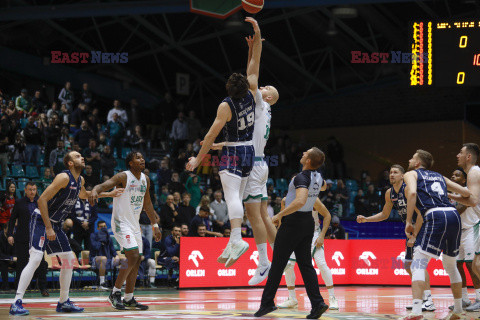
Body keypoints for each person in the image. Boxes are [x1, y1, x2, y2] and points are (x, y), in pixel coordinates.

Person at [187, 17, 264, 268]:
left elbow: (210, 136)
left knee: (231, 196)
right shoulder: (253, 91)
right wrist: (256, 39)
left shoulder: (226, 105)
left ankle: (238, 238)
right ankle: (233, 240)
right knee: (237, 198)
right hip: (249, 151)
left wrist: (198, 160)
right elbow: (254, 64)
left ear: (228, 89)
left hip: (232, 151)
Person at [9, 152, 121, 316]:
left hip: (55, 224)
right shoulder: (63, 177)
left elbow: (84, 195)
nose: (82, 158)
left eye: (82, 156)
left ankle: (63, 301)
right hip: (41, 221)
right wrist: (48, 227)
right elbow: (41, 200)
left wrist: (109, 194)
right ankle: (16, 302)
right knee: (36, 258)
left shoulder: (80, 180)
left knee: (69, 259)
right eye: (77, 156)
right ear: (69, 163)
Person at [255, 147, 329, 319]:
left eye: (306, 153)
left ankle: (266, 304)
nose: (303, 153)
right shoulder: (318, 176)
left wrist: (280, 214)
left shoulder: (301, 177)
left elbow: (300, 200)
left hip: (293, 224)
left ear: (309, 161)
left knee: (278, 264)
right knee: (306, 265)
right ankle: (317, 303)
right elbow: (323, 188)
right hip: (307, 224)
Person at [402, 149, 472, 320]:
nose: (410, 160)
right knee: (450, 265)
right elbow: (466, 193)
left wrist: (408, 221)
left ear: (418, 163)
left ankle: (417, 311)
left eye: (412, 157)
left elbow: (411, 193)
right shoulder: (439, 176)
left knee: (418, 264)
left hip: (435, 214)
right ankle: (457, 309)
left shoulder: (411, 174)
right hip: (453, 214)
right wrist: (447, 196)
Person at [357, 165, 435, 312]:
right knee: (408, 265)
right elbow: (384, 214)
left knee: (418, 264)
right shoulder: (389, 193)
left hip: (422, 226)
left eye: (395, 172)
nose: (392, 175)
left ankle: (428, 300)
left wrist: (415, 235)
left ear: (402, 175)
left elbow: (421, 214)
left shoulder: (408, 189)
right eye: (391, 172)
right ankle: (420, 299)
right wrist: (366, 219)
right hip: (410, 230)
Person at [90, 151, 162, 311]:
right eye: (138, 157)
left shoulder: (146, 180)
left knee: (137, 260)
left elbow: (148, 204)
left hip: (134, 224)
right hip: (120, 223)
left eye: (143, 157)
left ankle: (129, 297)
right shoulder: (123, 176)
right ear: (130, 163)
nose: (142, 159)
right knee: (133, 255)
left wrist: (154, 225)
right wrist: (96, 189)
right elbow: (105, 185)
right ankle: (115, 293)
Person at [7, 182, 48, 297]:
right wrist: (10, 234)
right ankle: (19, 289)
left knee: (41, 264)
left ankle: (43, 288)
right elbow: (12, 219)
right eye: (30, 189)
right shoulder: (19, 202)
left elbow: (46, 218)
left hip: (38, 238)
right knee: (22, 264)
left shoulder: (40, 201)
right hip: (22, 238)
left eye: (34, 189)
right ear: (25, 190)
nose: (32, 192)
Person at [452, 143, 480, 312]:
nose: (457, 155)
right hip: (462, 230)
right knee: (476, 264)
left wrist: (448, 191)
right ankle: (465, 299)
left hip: (473, 226)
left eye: (460, 152)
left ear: (468, 156)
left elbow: (472, 201)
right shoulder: (473, 173)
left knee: (475, 265)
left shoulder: (474, 172)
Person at [90, 220, 127, 290]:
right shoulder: (93, 235)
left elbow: (112, 249)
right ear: (97, 228)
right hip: (95, 259)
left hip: (109, 259)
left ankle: (123, 283)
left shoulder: (108, 237)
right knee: (103, 258)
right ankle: (102, 283)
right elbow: (95, 247)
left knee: (124, 259)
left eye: (104, 226)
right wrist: (101, 240)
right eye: (101, 227)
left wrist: (116, 256)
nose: (103, 228)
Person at [0, 224, 16, 290]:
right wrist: (10, 258)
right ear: (4, 229)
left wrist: (14, 258)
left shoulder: (14, 237)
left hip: (11, 260)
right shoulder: (0, 237)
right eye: (9, 230)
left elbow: (16, 250)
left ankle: (18, 286)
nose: (11, 231)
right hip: (2, 260)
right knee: (3, 264)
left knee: (21, 264)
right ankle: (5, 286)